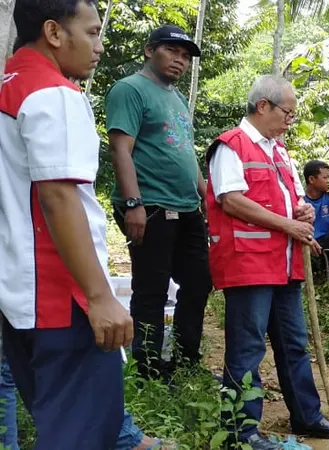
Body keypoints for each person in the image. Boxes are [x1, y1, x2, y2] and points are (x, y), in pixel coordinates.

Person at [0, 1, 163, 447]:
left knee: (60, 424)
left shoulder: (8, 87)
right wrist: (99, 296)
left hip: (18, 298)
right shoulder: (53, 94)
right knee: (79, 436)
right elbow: (58, 195)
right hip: (61, 298)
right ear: (54, 32)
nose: (99, 44)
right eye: (91, 32)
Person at [206, 74, 329, 450]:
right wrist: (288, 222)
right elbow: (231, 200)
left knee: (294, 343)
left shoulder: (279, 150)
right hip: (250, 264)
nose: (290, 119)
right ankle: (241, 431)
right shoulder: (231, 146)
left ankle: (307, 414)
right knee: (248, 347)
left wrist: (300, 212)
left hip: (285, 264)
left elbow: (287, 199)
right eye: (287, 112)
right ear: (263, 106)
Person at [105, 24, 212, 380]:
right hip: (150, 204)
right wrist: (133, 203)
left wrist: (204, 194)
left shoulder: (177, 98)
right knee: (151, 288)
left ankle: (185, 360)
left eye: (185, 56)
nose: (180, 61)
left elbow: (186, 153)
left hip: (186, 206)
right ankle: (149, 369)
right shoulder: (130, 89)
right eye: (172, 52)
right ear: (150, 51)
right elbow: (121, 148)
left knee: (198, 281)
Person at [303, 160, 329, 283]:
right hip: (306, 240)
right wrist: (309, 239)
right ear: (311, 179)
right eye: (325, 177)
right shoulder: (300, 200)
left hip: (328, 240)